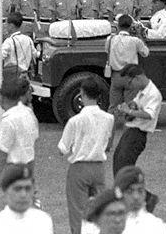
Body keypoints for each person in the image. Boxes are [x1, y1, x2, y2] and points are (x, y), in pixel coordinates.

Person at [58, 77, 114, 234]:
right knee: (101, 210)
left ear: (82, 94)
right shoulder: (109, 119)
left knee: (78, 213)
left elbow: (63, 148)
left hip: (79, 167)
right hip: (98, 167)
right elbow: (108, 142)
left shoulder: (75, 121)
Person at [0, 78, 39, 209]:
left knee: (0, 209)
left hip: (12, 168)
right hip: (29, 164)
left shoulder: (8, 120)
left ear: (2, 98)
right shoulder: (28, 113)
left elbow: (3, 155)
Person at [112, 65, 162, 176]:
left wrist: (129, 112)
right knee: (118, 160)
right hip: (130, 131)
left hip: (137, 134)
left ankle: (125, 189)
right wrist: (129, 106)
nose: (130, 86)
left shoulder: (153, 94)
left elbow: (149, 114)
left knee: (124, 167)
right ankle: (121, 188)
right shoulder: (142, 90)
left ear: (138, 78)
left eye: (130, 82)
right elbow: (136, 103)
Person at [0, 164, 53, 234]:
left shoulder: (43, 221)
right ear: (5, 192)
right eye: (17, 189)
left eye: (28, 188)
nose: (23, 194)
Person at [105, 14, 149, 115]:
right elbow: (145, 53)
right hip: (131, 76)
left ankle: (110, 127)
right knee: (131, 107)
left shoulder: (110, 40)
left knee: (113, 106)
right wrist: (139, 35)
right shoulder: (135, 41)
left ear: (118, 26)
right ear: (130, 26)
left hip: (116, 76)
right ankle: (130, 128)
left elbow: (107, 51)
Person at [114, 166, 166, 233]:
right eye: (129, 191)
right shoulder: (105, 225)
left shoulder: (157, 226)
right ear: (118, 193)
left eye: (140, 191)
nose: (136, 197)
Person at [2, 12, 39, 81]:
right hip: (25, 76)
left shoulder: (9, 41)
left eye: (6, 24)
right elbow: (35, 54)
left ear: (11, 26)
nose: (5, 26)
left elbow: (0, 56)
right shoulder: (28, 39)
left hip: (11, 77)